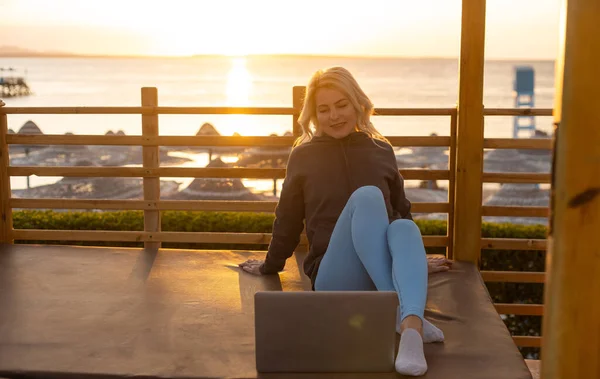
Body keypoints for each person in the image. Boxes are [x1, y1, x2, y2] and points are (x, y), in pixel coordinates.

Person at [239, 66, 451, 376]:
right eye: (323, 109)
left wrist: (415, 260)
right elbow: (287, 220)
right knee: (367, 198)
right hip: (334, 277)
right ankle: (401, 310)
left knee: (404, 228)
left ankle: (410, 331)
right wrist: (270, 264)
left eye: (342, 105)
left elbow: (401, 213)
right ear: (313, 115)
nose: (334, 115)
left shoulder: (381, 150)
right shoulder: (303, 155)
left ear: (357, 104)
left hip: (381, 276)